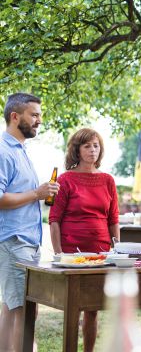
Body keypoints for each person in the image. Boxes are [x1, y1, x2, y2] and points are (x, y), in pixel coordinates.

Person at [48, 128, 119, 352]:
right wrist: (59, 254)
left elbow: (113, 219)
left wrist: (117, 250)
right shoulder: (65, 180)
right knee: (73, 307)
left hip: (101, 252)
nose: (92, 150)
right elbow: (54, 219)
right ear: (77, 150)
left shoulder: (108, 180)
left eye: (96, 145)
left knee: (93, 308)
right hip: (71, 253)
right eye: (87, 146)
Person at [0, 93, 59, 352]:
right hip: (13, 242)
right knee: (22, 313)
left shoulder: (20, 150)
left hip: (27, 242)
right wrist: (37, 193)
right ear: (15, 116)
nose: (39, 120)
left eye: (39, 116)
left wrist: (41, 193)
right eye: (34, 115)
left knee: (13, 309)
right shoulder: (3, 151)